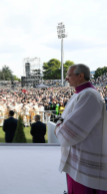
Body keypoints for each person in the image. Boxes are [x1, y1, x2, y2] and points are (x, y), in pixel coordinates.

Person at [54, 64, 107, 192]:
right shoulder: (81, 93)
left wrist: (58, 129)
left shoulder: (89, 95)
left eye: (69, 75)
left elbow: (72, 130)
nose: (66, 78)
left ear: (81, 75)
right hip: (76, 157)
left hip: (85, 161)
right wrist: (61, 125)